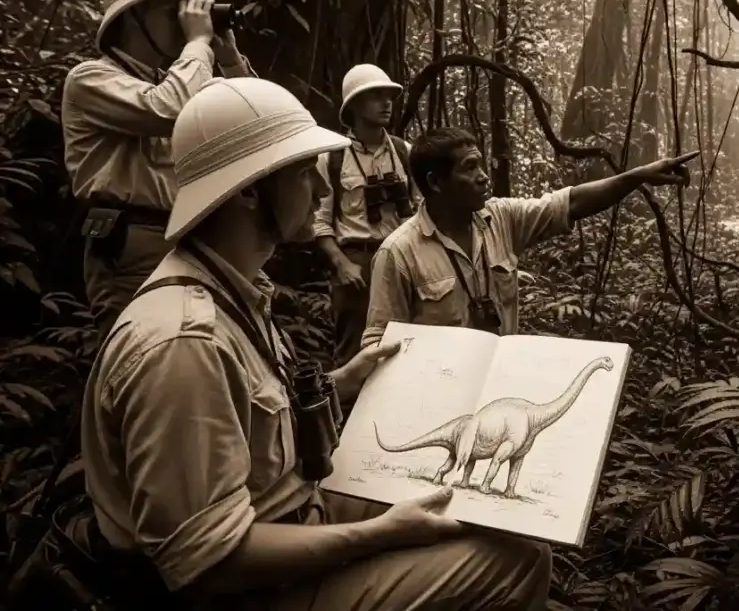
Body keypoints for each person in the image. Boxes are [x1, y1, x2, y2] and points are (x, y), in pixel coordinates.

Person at [80, 78, 551, 610]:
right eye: (304, 173)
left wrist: (339, 383)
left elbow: (245, 424)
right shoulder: (184, 343)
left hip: (295, 505)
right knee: (516, 563)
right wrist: (381, 534)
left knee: (483, 513)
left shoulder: (233, 291)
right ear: (251, 192)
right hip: (249, 587)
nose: (323, 191)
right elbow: (206, 563)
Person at [61, 0, 256, 338]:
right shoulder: (89, 80)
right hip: (133, 243)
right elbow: (168, 108)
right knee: (143, 354)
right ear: (134, 16)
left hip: (191, 237)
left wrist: (230, 58)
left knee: (199, 353)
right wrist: (199, 44)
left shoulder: (182, 78)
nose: (183, 21)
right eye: (171, 11)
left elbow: (253, 120)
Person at [363, 126, 698, 342]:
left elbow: (570, 203)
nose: (483, 177)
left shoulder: (501, 219)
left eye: (481, 165)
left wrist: (637, 177)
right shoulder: (399, 252)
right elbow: (378, 345)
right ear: (435, 182)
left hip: (497, 381)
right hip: (436, 393)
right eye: (469, 168)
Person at [312, 65, 416, 364]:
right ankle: (349, 408)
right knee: (353, 351)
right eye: (376, 97)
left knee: (407, 342)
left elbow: (422, 208)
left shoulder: (405, 151)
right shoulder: (331, 158)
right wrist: (342, 263)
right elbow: (320, 222)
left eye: (389, 96)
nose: (386, 103)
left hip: (403, 258)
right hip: (358, 263)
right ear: (354, 106)